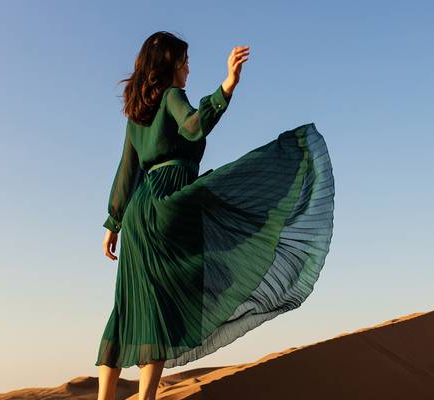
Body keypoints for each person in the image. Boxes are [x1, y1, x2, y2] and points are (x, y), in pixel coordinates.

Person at [95, 31, 334, 400]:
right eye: (185, 61)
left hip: (138, 213)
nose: (189, 69)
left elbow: (127, 171)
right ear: (171, 64)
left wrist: (114, 223)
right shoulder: (173, 96)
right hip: (169, 201)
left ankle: (103, 396)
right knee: (166, 301)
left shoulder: (135, 114)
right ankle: (145, 397)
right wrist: (227, 86)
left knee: (128, 303)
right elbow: (193, 125)